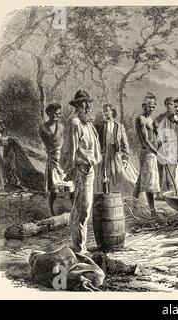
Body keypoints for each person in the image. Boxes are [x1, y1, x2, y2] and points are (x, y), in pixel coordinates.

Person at [60, 90, 102, 254]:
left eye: (88, 103)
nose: (88, 106)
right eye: (84, 103)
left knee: (86, 207)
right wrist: (69, 169)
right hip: (80, 169)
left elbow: (94, 148)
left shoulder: (87, 124)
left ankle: (81, 246)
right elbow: (70, 149)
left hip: (89, 169)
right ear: (77, 106)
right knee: (81, 208)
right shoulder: (75, 123)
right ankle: (79, 248)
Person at [38, 103, 74, 216]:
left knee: (70, 186)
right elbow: (53, 140)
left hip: (63, 159)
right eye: (55, 114)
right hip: (53, 159)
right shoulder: (43, 128)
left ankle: (74, 210)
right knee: (53, 190)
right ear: (49, 113)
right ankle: (52, 212)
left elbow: (65, 142)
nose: (57, 117)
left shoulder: (62, 126)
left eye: (59, 114)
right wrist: (59, 128)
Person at [95, 103, 138, 192]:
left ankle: (120, 197)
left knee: (121, 176)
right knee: (103, 176)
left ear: (112, 111)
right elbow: (96, 140)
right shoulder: (100, 125)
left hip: (115, 154)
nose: (105, 113)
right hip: (104, 154)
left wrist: (125, 158)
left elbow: (124, 143)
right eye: (104, 111)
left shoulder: (119, 126)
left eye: (107, 111)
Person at [133, 95, 161, 213]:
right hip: (146, 153)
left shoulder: (150, 119)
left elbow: (154, 137)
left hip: (151, 153)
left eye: (152, 106)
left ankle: (133, 207)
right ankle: (153, 210)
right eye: (148, 106)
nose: (151, 108)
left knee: (141, 181)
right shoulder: (141, 119)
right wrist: (157, 152)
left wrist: (156, 131)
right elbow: (145, 140)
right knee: (149, 182)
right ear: (143, 106)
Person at [154, 97, 174, 197]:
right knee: (160, 169)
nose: (169, 106)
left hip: (172, 146)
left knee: (171, 170)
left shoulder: (176, 117)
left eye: (171, 104)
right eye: (168, 104)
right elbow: (155, 124)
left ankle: (170, 192)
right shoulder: (162, 116)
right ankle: (158, 193)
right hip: (161, 145)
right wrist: (156, 126)